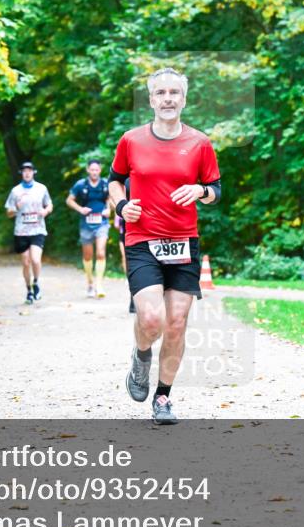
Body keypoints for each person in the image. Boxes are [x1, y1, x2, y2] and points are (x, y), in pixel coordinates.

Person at [108, 67, 221, 425]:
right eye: (161, 93)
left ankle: (163, 397)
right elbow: (115, 181)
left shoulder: (200, 143)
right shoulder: (131, 140)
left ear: (184, 99)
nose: (168, 98)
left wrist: (200, 190)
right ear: (151, 99)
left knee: (176, 323)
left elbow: (216, 190)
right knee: (152, 319)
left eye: (174, 93)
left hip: (184, 241)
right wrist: (122, 206)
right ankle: (141, 356)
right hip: (142, 239)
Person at [5, 161, 53, 304]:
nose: (27, 173)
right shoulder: (15, 191)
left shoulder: (41, 188)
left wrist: (45, 211)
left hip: (38, 229)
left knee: (35, 260)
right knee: (26, 262)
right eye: (24, 171)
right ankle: (29, 290)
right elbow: (8, 213)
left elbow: (49, 204)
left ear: (33, 172)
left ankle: (36, 282)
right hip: (21, 231)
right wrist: (16, 207)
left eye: (29, 171)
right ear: (21, 173)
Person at [65, 159, 111, 298]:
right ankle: (90, 282)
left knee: (101, 253)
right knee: (87, 256)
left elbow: (110, 199)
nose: (94, 172)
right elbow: (69, 200)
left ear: (100, 170)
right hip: (86, 224)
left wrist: (109, 209)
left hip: (102, 223)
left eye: (97, 169)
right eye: (92, 169)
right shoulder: (81, 184)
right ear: (88, 170)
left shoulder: (105, 184)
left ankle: (99, 285)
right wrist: (80, 209)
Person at [114, 178, 135, 313]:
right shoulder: (126, 183)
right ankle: (133, 300)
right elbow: (117, 224)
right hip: (127, 235)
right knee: (131, 264)